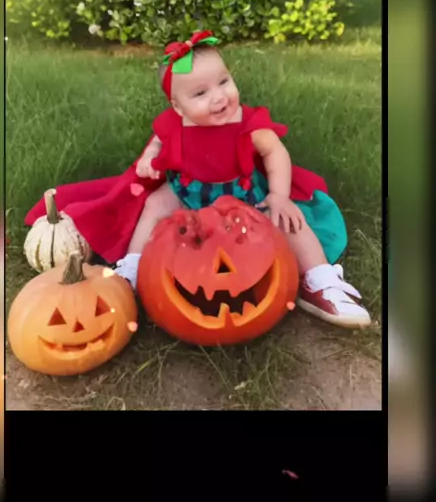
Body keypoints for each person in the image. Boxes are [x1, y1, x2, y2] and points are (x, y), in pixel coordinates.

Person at [113, 30, 370, 328]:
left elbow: (274, 152)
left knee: (289, 220)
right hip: (190, 192)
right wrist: (149, 157)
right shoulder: (176, 123)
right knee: (156, 203)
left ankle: (319, 279)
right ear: (178, 106)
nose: (219, 97)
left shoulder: (248, 123)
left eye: (223, 81)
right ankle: (131, 272)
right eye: (200, 93)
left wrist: (279, 196)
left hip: (245, 196)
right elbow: (159, 139)